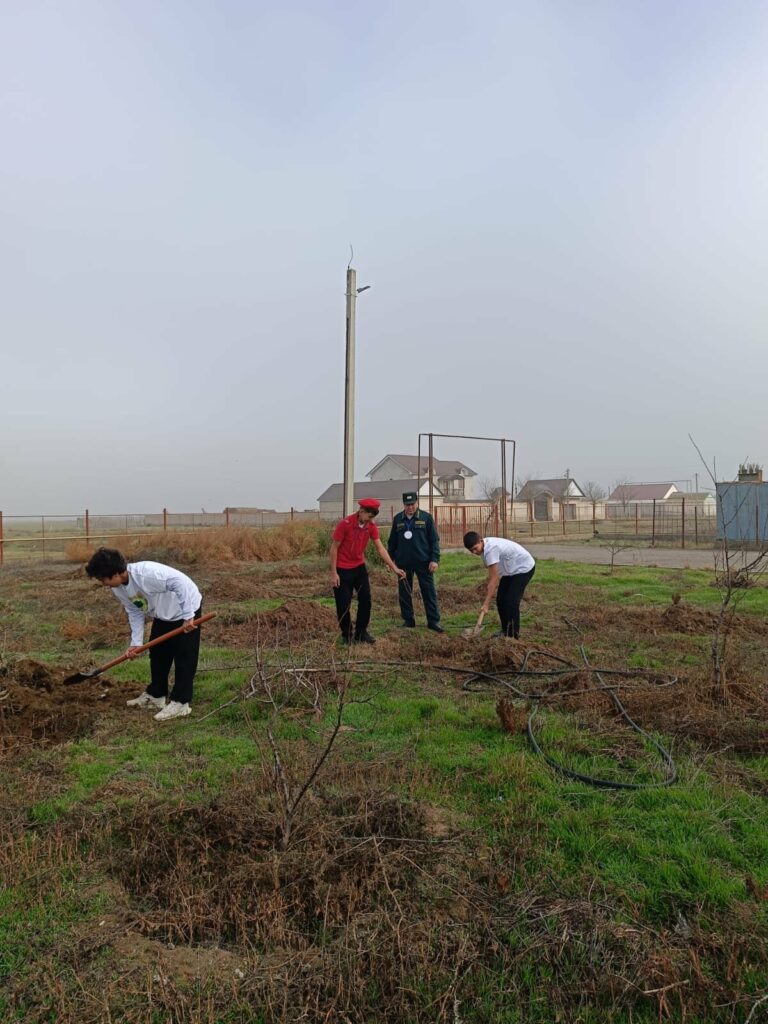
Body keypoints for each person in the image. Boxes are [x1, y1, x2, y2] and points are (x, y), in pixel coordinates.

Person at [85, 547, 203, 721]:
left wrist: (188, 615)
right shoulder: (119, 588)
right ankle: (156, 695)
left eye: (103, 578)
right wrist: (136, 642)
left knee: (185, 657)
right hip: (163, 614)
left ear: (116, 573)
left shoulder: (146, 574)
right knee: (158, 654)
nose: (103, 583)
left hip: (185, 609)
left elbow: (179, 582)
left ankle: (180, 703)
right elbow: (135, 610)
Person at [330, 498, 406, 644]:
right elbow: (334, 548)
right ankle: (347, 635)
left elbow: (380, 548)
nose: (370, 521)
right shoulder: (345, 524)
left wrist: (394, 567)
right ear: (361, 511)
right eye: (369, 517)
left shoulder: (370, 526)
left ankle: (361, 632)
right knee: (343, 604)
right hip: (342, 569)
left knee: (366, 600)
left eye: (372, 518)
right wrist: (334, 573)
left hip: (359, 568)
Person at [387, 491, 444, 633]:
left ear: (417, 503)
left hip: (424, 562)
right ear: (404, 505)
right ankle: (408, 620)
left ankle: (433, 621)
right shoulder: (398, 519)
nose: (410, 507)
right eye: (407, 505)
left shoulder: (426, 518)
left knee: (428, 592)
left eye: (412, 504)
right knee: (405, 593)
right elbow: (392, 543)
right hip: (403, 564)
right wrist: (390, 561)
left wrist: (434, 559)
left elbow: (434, 541)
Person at [463, 531, 535, 639]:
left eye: (475, 548)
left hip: (523, 568)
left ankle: (513, 636)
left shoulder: (491, 549)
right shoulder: (484, 549)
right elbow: (494, 573)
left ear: (480, 541)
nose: (474, 552)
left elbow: (493, 580)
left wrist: (486, 603)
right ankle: (505, 630)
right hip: (509, 571)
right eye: (471, 550)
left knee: (511, 602)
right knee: (501, 600)